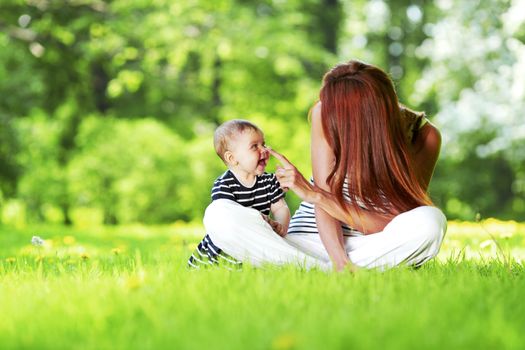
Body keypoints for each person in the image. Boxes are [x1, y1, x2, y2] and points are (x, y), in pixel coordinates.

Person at [203, 60, 447, 272]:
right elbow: (323, 195)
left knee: (430, 222)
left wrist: (315, 196)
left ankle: (299, 269)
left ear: (370, 117)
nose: (326, 116)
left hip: (371, 243)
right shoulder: (325, 111)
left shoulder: (424, 138)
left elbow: (391, 221)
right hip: (306, 241)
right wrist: (339, 260)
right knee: (219, 214)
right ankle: (326, 269)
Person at [188, 119, 327, 270]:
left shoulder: (268, 181)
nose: (264, 150)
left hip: (258, 238)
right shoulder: (224, 184)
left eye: (263, 144)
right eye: (254, 146)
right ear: (232, 158)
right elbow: (228, 214)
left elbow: (280, 207)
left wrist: (281, 227)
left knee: (263, 262)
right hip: (231, 242)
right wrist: (262, 220)